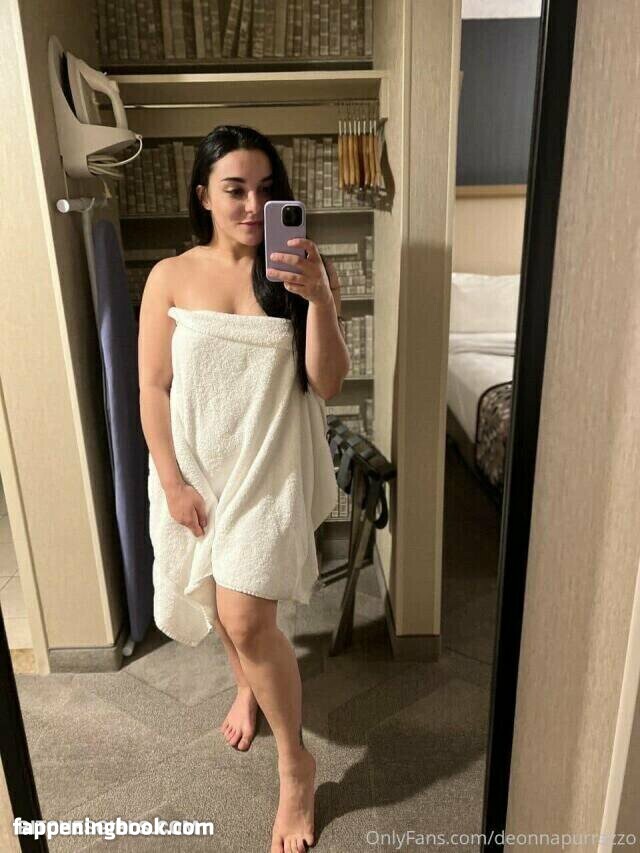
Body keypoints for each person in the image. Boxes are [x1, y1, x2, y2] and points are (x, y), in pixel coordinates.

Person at [138, 124, 351, 852]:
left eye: (267, 190)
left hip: (270, 468)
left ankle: (296, 767)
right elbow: (153, 385)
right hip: (198, 471)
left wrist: (319, 299)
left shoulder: (298, 270)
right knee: (224, 609)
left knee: (247, 615)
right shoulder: (170, 275)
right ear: (204, 195)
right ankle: (246, 686)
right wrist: (170, 481)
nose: (254, 206)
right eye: (235, 189)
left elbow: (327, 383)